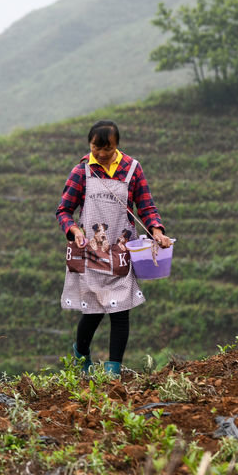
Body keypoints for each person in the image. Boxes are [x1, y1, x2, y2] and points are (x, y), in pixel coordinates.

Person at [56, 121, 171, 376]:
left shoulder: (132, 169)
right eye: (96, 148)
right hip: (90, 251)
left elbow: (146, 206)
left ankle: (113, 371)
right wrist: (74, 230)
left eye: (107, 148)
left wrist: (157, 231)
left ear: (117, 145)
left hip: (121, 251)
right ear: (90, 145)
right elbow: (64, 210)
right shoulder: (81, 171)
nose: (101, 153)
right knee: (94, 311)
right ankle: (81, 354)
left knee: (120, 311)